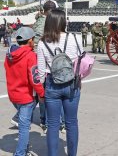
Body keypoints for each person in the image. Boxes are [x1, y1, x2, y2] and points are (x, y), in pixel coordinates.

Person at [37, 9, 83, 156]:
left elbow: (41, 71)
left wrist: (41, 92)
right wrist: (79, 79)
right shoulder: (74, 38)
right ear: (63, 21)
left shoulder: (43, 42)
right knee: (71, 123)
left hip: (52, 84)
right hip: (71, 84)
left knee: (52, 125)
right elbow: (80, 63)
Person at [4, 27, 45, 156]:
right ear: (30, 40)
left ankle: (25, 150)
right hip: (26, 96)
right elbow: (35, 79)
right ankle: (20, 153)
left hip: (13, 94)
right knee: (24, 128)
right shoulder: (31, 56)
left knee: (24, 124)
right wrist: (42, 94)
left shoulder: (9, 54)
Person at [32, 0, 58, 133]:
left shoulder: (38, 21)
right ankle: (46, 121)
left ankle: (44, 120)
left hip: (36, 56)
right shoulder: (51, 22)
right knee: (45, 91)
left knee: (40, 91)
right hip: (46, 58)